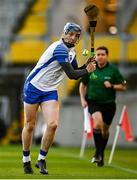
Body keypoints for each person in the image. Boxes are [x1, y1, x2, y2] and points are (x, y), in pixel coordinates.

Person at [22, 22, 96, 175]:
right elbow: (71, 75)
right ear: (64, 33)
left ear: (77, 39)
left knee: (53, 124)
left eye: (76, 36)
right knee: (30, 125)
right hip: (34, 87)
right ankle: (26, 160)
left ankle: (41, 159)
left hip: (50, 90)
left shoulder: (72, 51)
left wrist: (86, 66)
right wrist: (87, 71)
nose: (72, 37)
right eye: (69, 33)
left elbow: (76, 71)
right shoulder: (60, 49)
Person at [79, 46, 126, 167]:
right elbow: (82, 85)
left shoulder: (113, 70)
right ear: (95, 56)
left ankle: (100, 154)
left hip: (109, 104)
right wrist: (83, 99)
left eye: (102, 54)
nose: (100, 56)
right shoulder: (91, 68)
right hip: (93, 102)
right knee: (98, 123)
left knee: (105, 130)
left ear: (107, 56)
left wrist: (112, 86)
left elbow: (123, 86)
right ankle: (98, 154)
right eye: (98, 54)